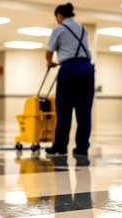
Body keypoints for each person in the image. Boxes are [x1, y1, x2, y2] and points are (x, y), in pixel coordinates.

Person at [45, 2, 95, 157]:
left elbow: (49, 51)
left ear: (59, 15)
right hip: (87, 68)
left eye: (57, 18)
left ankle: (60, 147)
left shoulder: (59, 29)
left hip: (69, 69)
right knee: (84, 110)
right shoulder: (82, 28)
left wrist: (49, 62)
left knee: (64, 109)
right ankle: (82, 148)